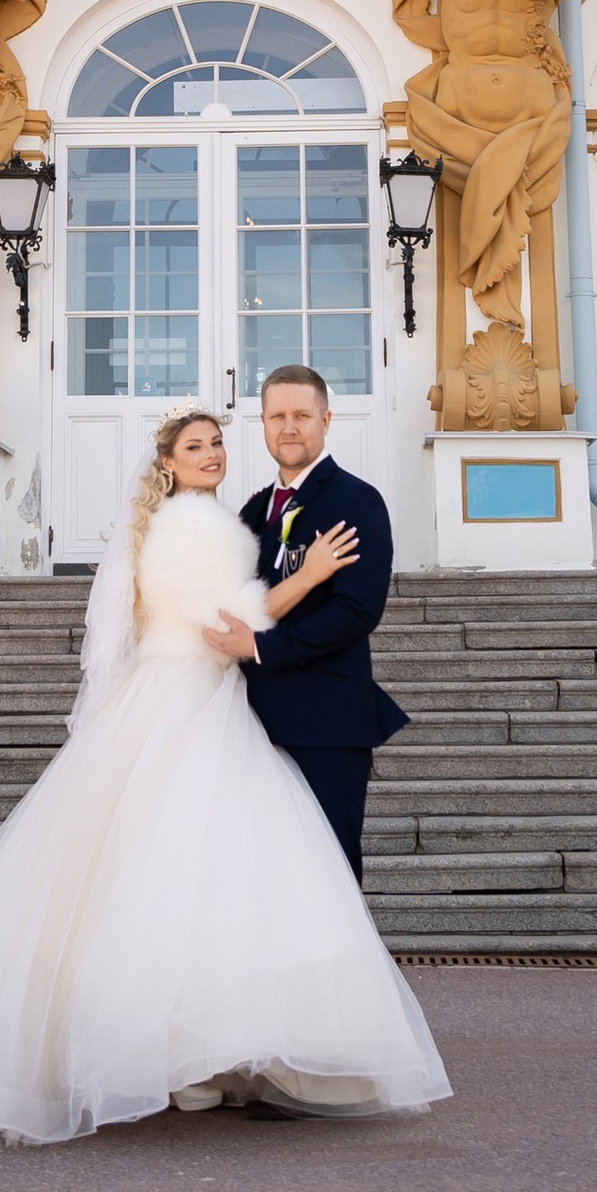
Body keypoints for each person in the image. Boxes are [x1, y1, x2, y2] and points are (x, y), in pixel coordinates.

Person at [0, 404, 449, 1145]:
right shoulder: (196, 524)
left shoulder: (207, 519)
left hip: (175, 694)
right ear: (167, 463)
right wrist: (312, 572)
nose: (213, 452)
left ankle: (186, 1063)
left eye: (219, 442)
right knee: (197, 879)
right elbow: (231, 624)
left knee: (157, 880)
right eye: (196, 446)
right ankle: (191, 1059)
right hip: (193, 693)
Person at [207, 365, 406, 884]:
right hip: (253, 722)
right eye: (277, 416)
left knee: (328, 872)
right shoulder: (253, 511)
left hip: (326, 721)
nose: (289, 427)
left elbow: (358, 610)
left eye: (301, 415)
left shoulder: (356, 501)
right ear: (264, 423)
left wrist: (264, 647)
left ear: (326, 420)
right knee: (268, 875)